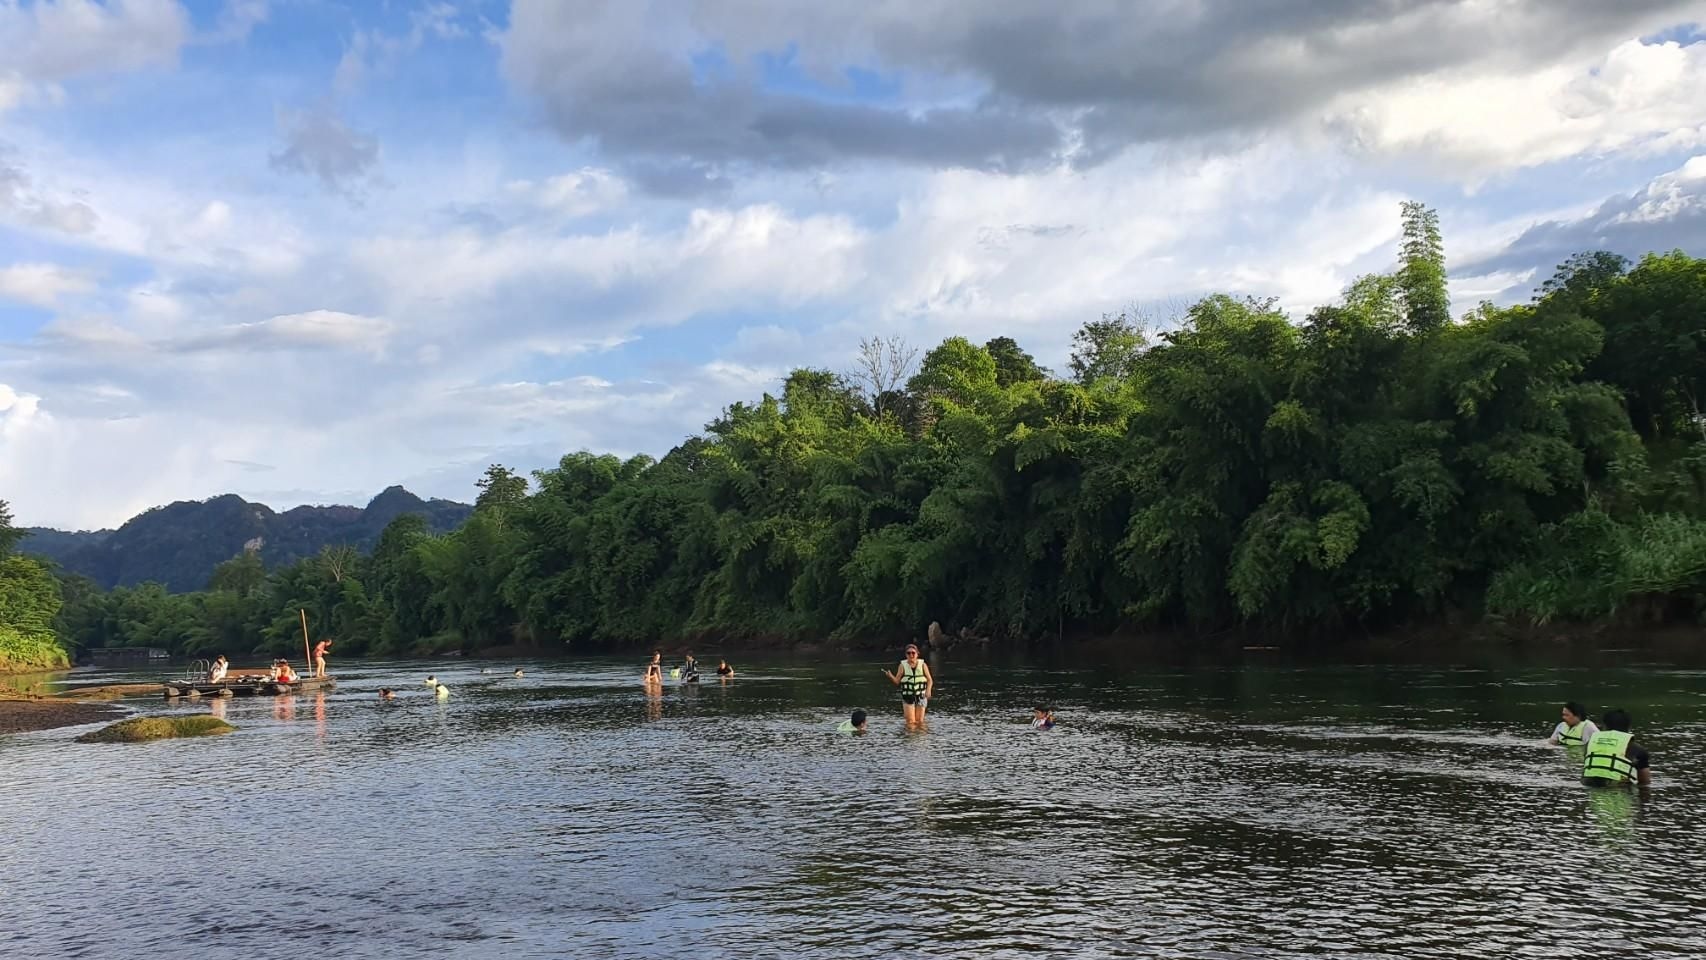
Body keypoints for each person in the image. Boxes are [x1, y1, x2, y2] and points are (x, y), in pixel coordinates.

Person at [1582, 708, 1651, 788]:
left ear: (1604, 726)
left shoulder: (1590, 744)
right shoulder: (1636, 749)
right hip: (1620, 791)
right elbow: (1644, 783)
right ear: (1629, 727)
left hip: (1591, 790)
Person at [882, 643, 934, 727]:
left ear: (917, 654)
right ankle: (910, 735)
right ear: (906, 655)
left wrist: (928, 690)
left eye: (913, 653)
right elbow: (897, 681)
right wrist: (890, 676)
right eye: (908, 653)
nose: (911, 655)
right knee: (910, 722)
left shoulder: (923, 665)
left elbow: (929, 680)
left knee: (920, 721)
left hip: (921, 695)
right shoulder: (902, 666)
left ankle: (921, 735)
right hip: (908, 695)